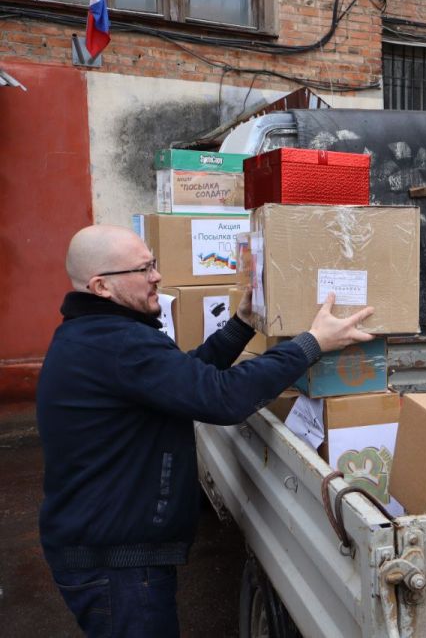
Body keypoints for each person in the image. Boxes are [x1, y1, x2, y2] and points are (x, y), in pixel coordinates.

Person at [37, 224, 374, 637]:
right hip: (117, 565)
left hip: (106, 548)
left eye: (154, 264)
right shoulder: (115, 344)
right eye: (143, 269)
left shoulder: (95, 335)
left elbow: (183, 377)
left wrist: (242, 324)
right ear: (102, 286)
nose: (157, 277)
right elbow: (222, 398)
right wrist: (312, 343)